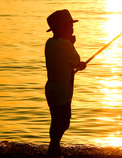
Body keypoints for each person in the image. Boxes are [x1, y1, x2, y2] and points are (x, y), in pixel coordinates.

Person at [45, 9, 86, 157]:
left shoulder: (49, 43)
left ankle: (54, 147)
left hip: (51, 89)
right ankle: (53, 147)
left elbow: (65, 61)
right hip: (62, 91)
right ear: (62, 28)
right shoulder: (66, 45)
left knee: (56, 119)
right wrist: (72, 44)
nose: (72, 28)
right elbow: (76, 60)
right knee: (64, 120)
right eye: (70, 26)